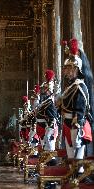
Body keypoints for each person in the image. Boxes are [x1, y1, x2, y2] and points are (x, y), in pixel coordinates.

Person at [59, 38, 93, 175]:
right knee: (71, 156)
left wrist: (77, 125)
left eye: (68, 68)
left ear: (75, 69)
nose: (66, 71)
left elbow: (80, 108)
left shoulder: (79, 86)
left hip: (76, 124)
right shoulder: (71, 87)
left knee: (77, 158)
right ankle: (72, 177)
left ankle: (78, 178)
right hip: (67, 123)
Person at [36, 70, 58, 152]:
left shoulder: (49, 102)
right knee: (46, 147)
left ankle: (51, 163)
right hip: (44, 127)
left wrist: (50, 129)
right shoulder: (45, 101)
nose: (43, 91)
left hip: (50, 127)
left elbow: (52, 117)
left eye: (45, 89)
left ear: (49, 90)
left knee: (50, 147)